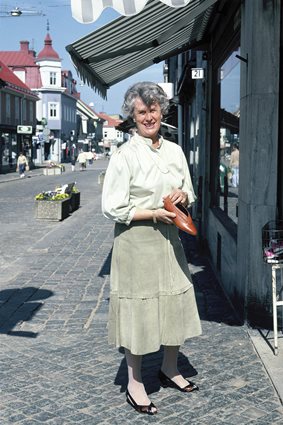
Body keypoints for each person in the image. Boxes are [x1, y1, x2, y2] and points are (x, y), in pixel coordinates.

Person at [102, 82, 202, 415]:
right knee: (139, 312)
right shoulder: (124, 155)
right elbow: (113, 207)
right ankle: (134, 382)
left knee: (175, 301)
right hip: (136, 242)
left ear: (162, 110)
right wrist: (153, 212)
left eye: (154, 109)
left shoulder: (174, 150)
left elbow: (188, 189)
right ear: (132, 116)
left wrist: (182, 197)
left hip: (169, 240)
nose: (149, 116)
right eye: (142, 112)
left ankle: (170, 368)